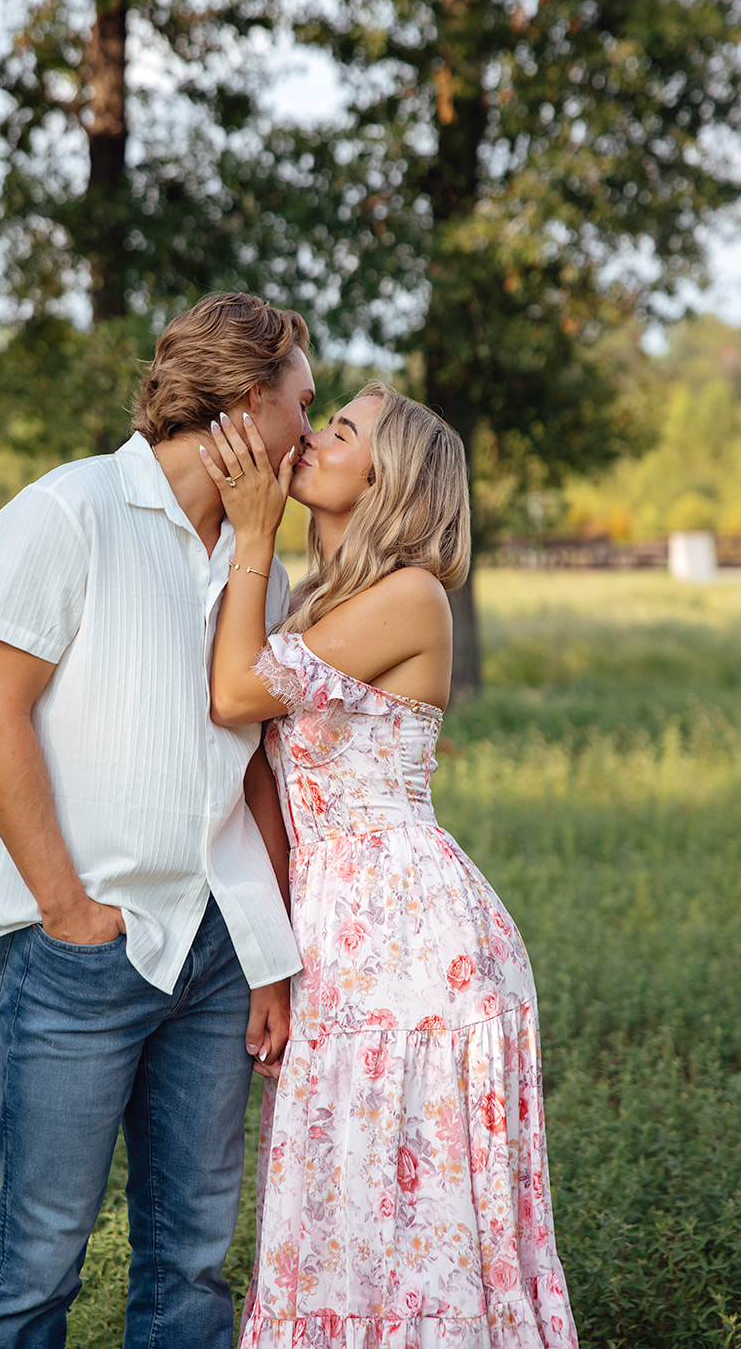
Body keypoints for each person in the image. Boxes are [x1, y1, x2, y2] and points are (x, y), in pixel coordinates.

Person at [0, 292, 319, 1349]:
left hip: (214, 955)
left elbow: (255, 764)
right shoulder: (66, 511)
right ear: (251, 405)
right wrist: (66, 906)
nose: (312, 426)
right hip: (82, 949)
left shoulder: (265, 569)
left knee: (192, 1263)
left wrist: (265, 953)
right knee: (39, 1256)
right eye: (305, 403)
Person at [199, 384, 578, 1348]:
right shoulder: (319, 601)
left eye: (341, 431)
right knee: (338, 1196)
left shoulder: (410, 596)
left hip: (407, 934)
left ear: (387, 474)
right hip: (335, 925)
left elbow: (237, 694)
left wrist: (250, 533)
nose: (313, 440)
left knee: (408, 1207)